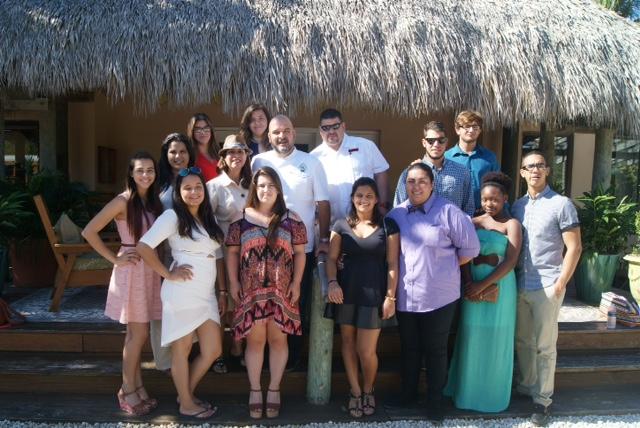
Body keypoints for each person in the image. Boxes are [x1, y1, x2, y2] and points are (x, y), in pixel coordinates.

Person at [385, 163, 480, 422]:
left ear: (432, 184)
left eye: (422, 181)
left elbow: (470, 250)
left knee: (436, 349)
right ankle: (408, 395)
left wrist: (444, 267)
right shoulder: (396, 215)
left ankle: (435, 402)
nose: (416, 186)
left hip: (440, 295)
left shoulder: (449, 212)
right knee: (410, 348)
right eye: (411, 181)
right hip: (407, 295)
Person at [136, 167, 227, 420]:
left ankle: (184, 393)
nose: (194, 192)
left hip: (206, 293)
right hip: (182, 292)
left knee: (212, 350)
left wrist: (222, 290)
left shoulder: (209, 218)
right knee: (182, 349)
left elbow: (217, 254)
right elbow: (143, 247)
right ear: (179, 192)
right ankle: (186, 403)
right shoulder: (171, 217)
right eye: (187, 188)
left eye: (198, 187)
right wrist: (168, 274)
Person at [82, 151, 164, 416]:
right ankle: (127, 390)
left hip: (149, 269)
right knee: (137, 334)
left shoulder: (151, 201)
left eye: (150, 170)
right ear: (131, 173)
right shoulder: (123, 200)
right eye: (140, 170)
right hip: (131, 268)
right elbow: (89, 231)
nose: (145, 175)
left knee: (139, 335)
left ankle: (137, 386)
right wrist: (113, 259)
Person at [225, 167, 307, 419]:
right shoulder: (240, 219)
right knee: (255, 340)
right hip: (251, 291)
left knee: (279, 340)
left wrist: (296, 283)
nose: (266, 190)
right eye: (261, 185)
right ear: (254, 189)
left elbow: (301, 253)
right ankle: (254, 390)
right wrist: (233, 284)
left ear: (278, 189)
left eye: (271, 185)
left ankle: (273, 389)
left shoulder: (292, 219)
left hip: (282, 291)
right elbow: (231, 253)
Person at [252, 114, 331, 370]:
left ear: (294, 133)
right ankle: (264, 358)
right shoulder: (258, 161)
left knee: (295, 303)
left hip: (301, 250)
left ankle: (293, 359)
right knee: (264, 304)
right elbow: (251, 202)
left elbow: (323, 203)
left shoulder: (311, 162)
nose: (281, 136)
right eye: (276, 132)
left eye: (286, 131)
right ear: (269, 136)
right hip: (263, 251)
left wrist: (324, 238)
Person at [512, 151, 582, 426]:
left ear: (548, 170)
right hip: (520, 284)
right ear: (522, 173)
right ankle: (526, 387)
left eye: (540, 165)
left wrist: (561, 283)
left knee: (544, 345)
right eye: (530, 167)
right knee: (523, 341)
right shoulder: (518, 206)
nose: (535, 171)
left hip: (547, 285)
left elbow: (574, 247)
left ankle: (542, 401)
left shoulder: (561, 204)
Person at [444, 172, 521, 412]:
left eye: (495, 199)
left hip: (501, 287)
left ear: (505, 198)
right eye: (486, 199)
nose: (490, 204)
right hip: (471, 288)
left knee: (496, 339)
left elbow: (510, 262)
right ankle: (467, 394)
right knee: (471, 338)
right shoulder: (471, 222)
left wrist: (482, 285)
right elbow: (462, 255)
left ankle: (492, 396)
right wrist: (469, 284)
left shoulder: (512, 225)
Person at [324, 177, 399, 418]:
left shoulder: (389, 226)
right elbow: (332, 260)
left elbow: (393, 263)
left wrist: (390, 296)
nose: (363, 200)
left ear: (377, 199)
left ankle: (369, 389)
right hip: (346, 291)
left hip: (374, 294)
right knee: (347, 343)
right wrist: (333, 282)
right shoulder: (340, 225)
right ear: (352, 198)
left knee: (366, 350)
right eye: (359, 195)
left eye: (369, 196)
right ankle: (355, 391)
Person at [206, 134, 254, 372]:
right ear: (223, 158)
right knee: (221, 304)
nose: (236, 156)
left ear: (246, 156)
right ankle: (216, 354)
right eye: (231, 152)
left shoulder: (251, 186)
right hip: (220, 253)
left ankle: (238, 347)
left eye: (240, 152)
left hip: (247, 255)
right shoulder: (213, 187)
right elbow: (207, 223)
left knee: (241, 303)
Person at [310, 108, 390, 222]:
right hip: (331, 226)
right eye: (326, 128)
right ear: (320, 130)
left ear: (343, 126)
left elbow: (381, 174)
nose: (331, 131)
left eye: (335, 126)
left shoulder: (366, 146)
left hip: (367, 223)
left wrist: (382, 207)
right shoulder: (313, 157)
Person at [393, 121, 474, 216]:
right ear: (424, 143)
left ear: (446, 142)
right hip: (419, 228)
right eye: (431, 140)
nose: (436, 144)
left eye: (441, 140)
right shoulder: (410, 173)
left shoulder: (462, 172)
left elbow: (469, 208)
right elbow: (399, 208)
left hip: (453, 229)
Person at [445, 111, 500, 210]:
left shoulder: (489, 157)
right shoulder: (446, 157)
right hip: (454, 214)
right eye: (467, 126)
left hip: (483, 215)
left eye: (475, 127)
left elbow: (499, 186)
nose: (471, 130)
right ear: (457, 129)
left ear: (479, 131)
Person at [187, 113, 221, 181]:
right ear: (192, 132)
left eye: (206, 128)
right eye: (198, 129)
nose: (202, 132)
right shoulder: (189, 156)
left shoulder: (219, 153)